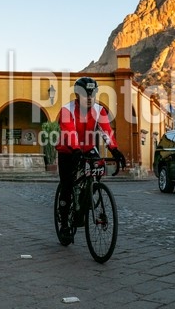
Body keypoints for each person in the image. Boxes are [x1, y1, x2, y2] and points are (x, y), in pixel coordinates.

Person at [55, 77, 127, 240]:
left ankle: (87, 195)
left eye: (92, 94)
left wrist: (114, 150)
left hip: (88, 148)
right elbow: (69, 131)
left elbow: (106, 131)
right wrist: (75, 149)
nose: (89, 97)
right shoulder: (67, 110)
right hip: (68, 150)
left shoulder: (99, 110)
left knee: (97, 169)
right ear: (77, 95)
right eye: (85, 94)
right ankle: (65, 223)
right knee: (67, 186)